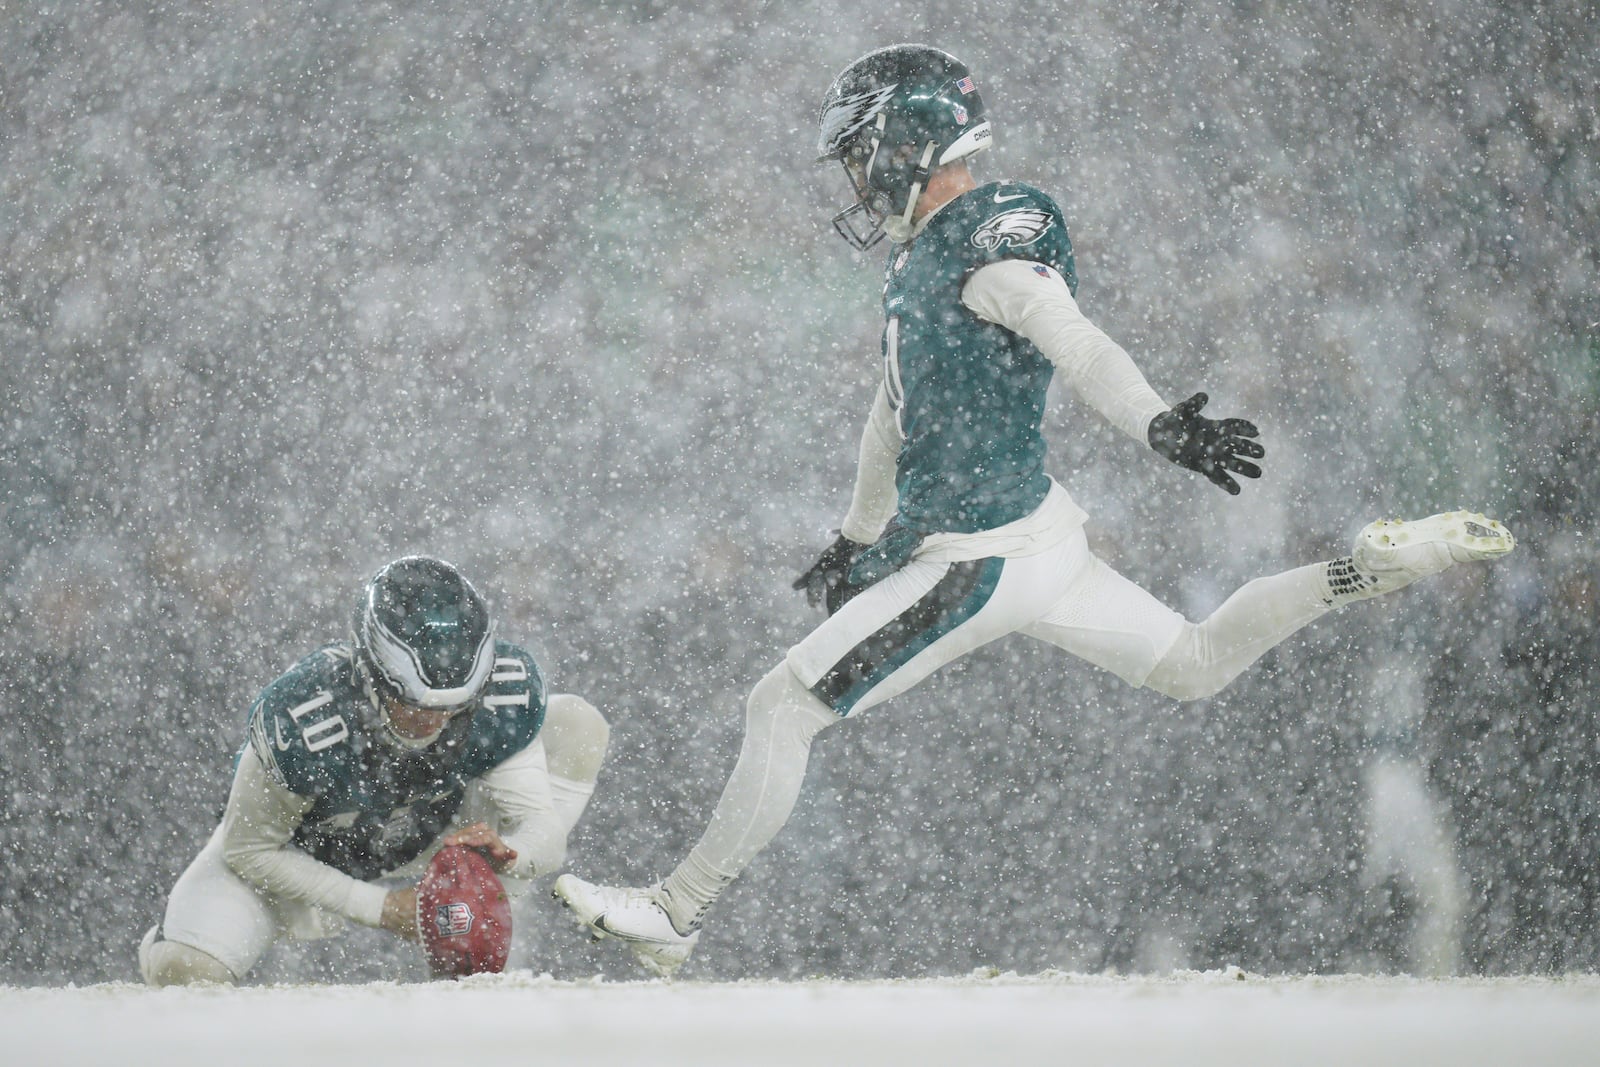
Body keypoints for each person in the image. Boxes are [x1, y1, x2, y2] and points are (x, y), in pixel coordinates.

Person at [552, 44, 1515, 977]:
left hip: (985, 555)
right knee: (1194, 662)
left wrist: (1158, 427)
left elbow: (1078, 343)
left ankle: (676, 913)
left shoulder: (984, 249)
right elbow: (890, 411)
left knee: (784, 705)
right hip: (1039, 534)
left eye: (858, 152)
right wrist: (855, 536)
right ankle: (1379, 567)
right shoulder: (928, 257)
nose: (852, 176)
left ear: (905, 144)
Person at [139, 555, 609, 985]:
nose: (434, 720)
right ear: (368, 673)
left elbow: (543, 829)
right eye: (411, 704)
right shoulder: (304, 714)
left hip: (439, 840)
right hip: (308, 855)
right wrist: (378, 908)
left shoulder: (502, 696)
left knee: (576, 724)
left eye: (456, 707)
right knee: (185, 970)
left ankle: (477, 905)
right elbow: (250, 851)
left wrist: (513, 853)